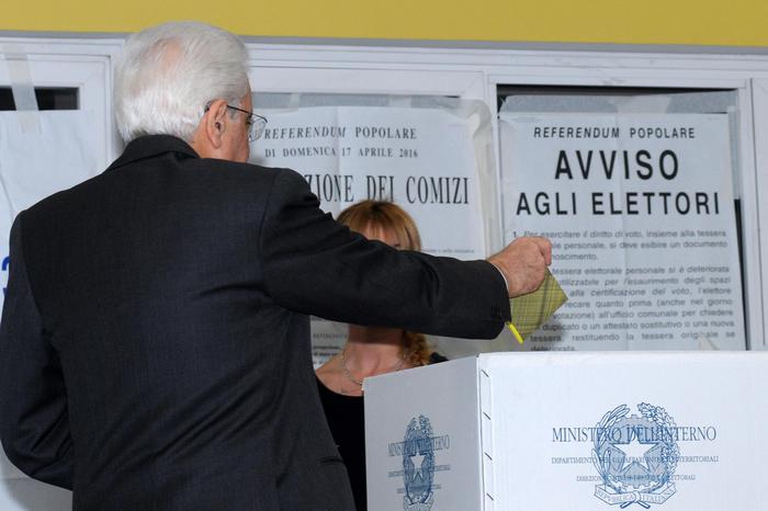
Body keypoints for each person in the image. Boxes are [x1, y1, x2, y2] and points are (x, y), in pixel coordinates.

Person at [0, 21, 551, 511]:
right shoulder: (252, 203)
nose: (246, 140)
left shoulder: (42, 229)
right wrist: (499, 277)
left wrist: (132, 475)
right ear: (217, 119)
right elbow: (378, 279)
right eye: (246, 119)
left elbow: (29, 432)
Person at [316, 200, 448, 511]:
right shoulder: (307, 396)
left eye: (395, 257)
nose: (381, 275)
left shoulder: (444, 382)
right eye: (365, 256)